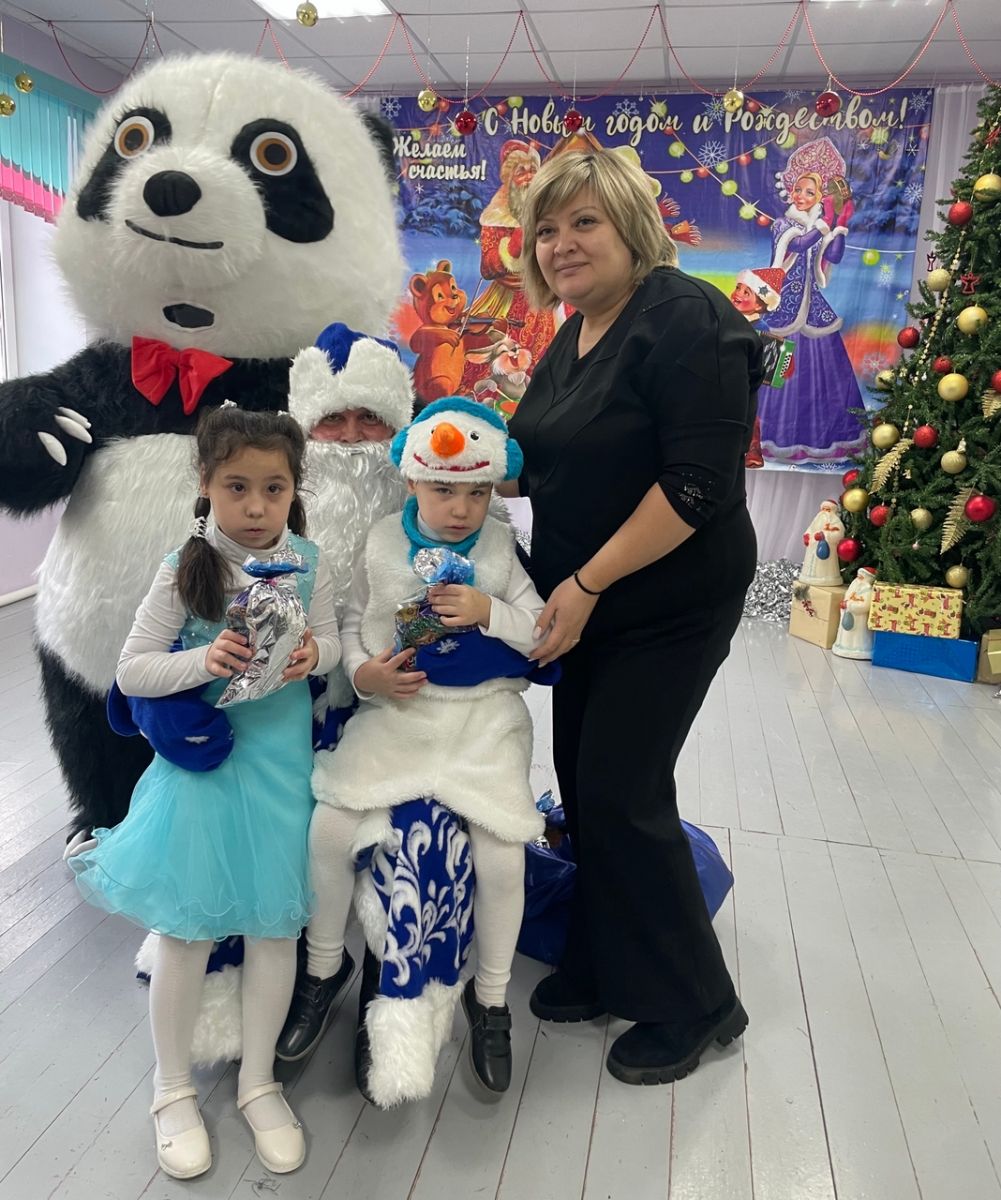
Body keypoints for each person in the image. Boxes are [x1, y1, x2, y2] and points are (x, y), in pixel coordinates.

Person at [507, 148, 760, 1085]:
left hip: (666, 603)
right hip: (593, 602)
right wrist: (436, 468)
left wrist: (584, 584)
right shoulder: (575, 332)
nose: (561, 244)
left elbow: (695, 485)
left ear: (631, 228)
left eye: (584, 222)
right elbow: (539, 461)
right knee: (582, 790)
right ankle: (605, 959)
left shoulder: (687, 319)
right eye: (546, 229)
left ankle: (697, 1003)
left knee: (623, 792)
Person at [68, 405, 341, 1180]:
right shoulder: (184, 568)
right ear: (206, 485)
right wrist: (203, 660)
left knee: (274, 932)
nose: (255, 506)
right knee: (185, 935)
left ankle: (258, 1081)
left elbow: (335, 643)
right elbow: (132, 670)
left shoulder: (309, 561)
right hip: (202, 773)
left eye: (273, 488)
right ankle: (172, 1087)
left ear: (294, 489)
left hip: (280, 773)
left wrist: (316, 655)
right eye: (236, 487)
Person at [280, 398, 547, 1096]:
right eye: (444, 489)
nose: (461, 509)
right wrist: (363, 673)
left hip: (483, 721)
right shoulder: (380, 542)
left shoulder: (499, 547)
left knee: (503, 855)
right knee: (329, 826)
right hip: (399, 713)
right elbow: (352, 624)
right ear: (412, 480)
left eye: (477, 492)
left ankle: (491, 999)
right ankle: (323, 967)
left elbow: (540, 631)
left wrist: (492, 611)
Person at [758, 137, 865, 464]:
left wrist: (841, 223)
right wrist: (826, 220)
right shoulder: (783, 225)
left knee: (825, 376)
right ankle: (765, 438)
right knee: (773, 377)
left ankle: (821, 438)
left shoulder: (818, 225)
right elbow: (801, 244)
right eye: (798, 190)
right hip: (782, 311)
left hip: (813, 312)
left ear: (820, 197)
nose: (801, 196)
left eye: (810, 192)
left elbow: (833, 254)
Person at [459, 139, 560, 397]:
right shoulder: (496, 215)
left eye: (532, 169)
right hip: (504, 299)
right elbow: (487, 267)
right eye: (520, 171)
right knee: (493, 348)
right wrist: (510, 249)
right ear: (509, 177)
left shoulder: (549, 211)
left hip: (540, 295)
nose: (527, 176)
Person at [729, 266, 795, 468]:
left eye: (746, 292)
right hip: (723, 377)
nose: (738, 294)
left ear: (759, 306)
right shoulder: (726, 319)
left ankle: (752, 451)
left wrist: (781, 363)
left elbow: (771, 359)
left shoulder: (761, 329)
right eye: (738, 288)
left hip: (745, 383)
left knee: (749, 416)